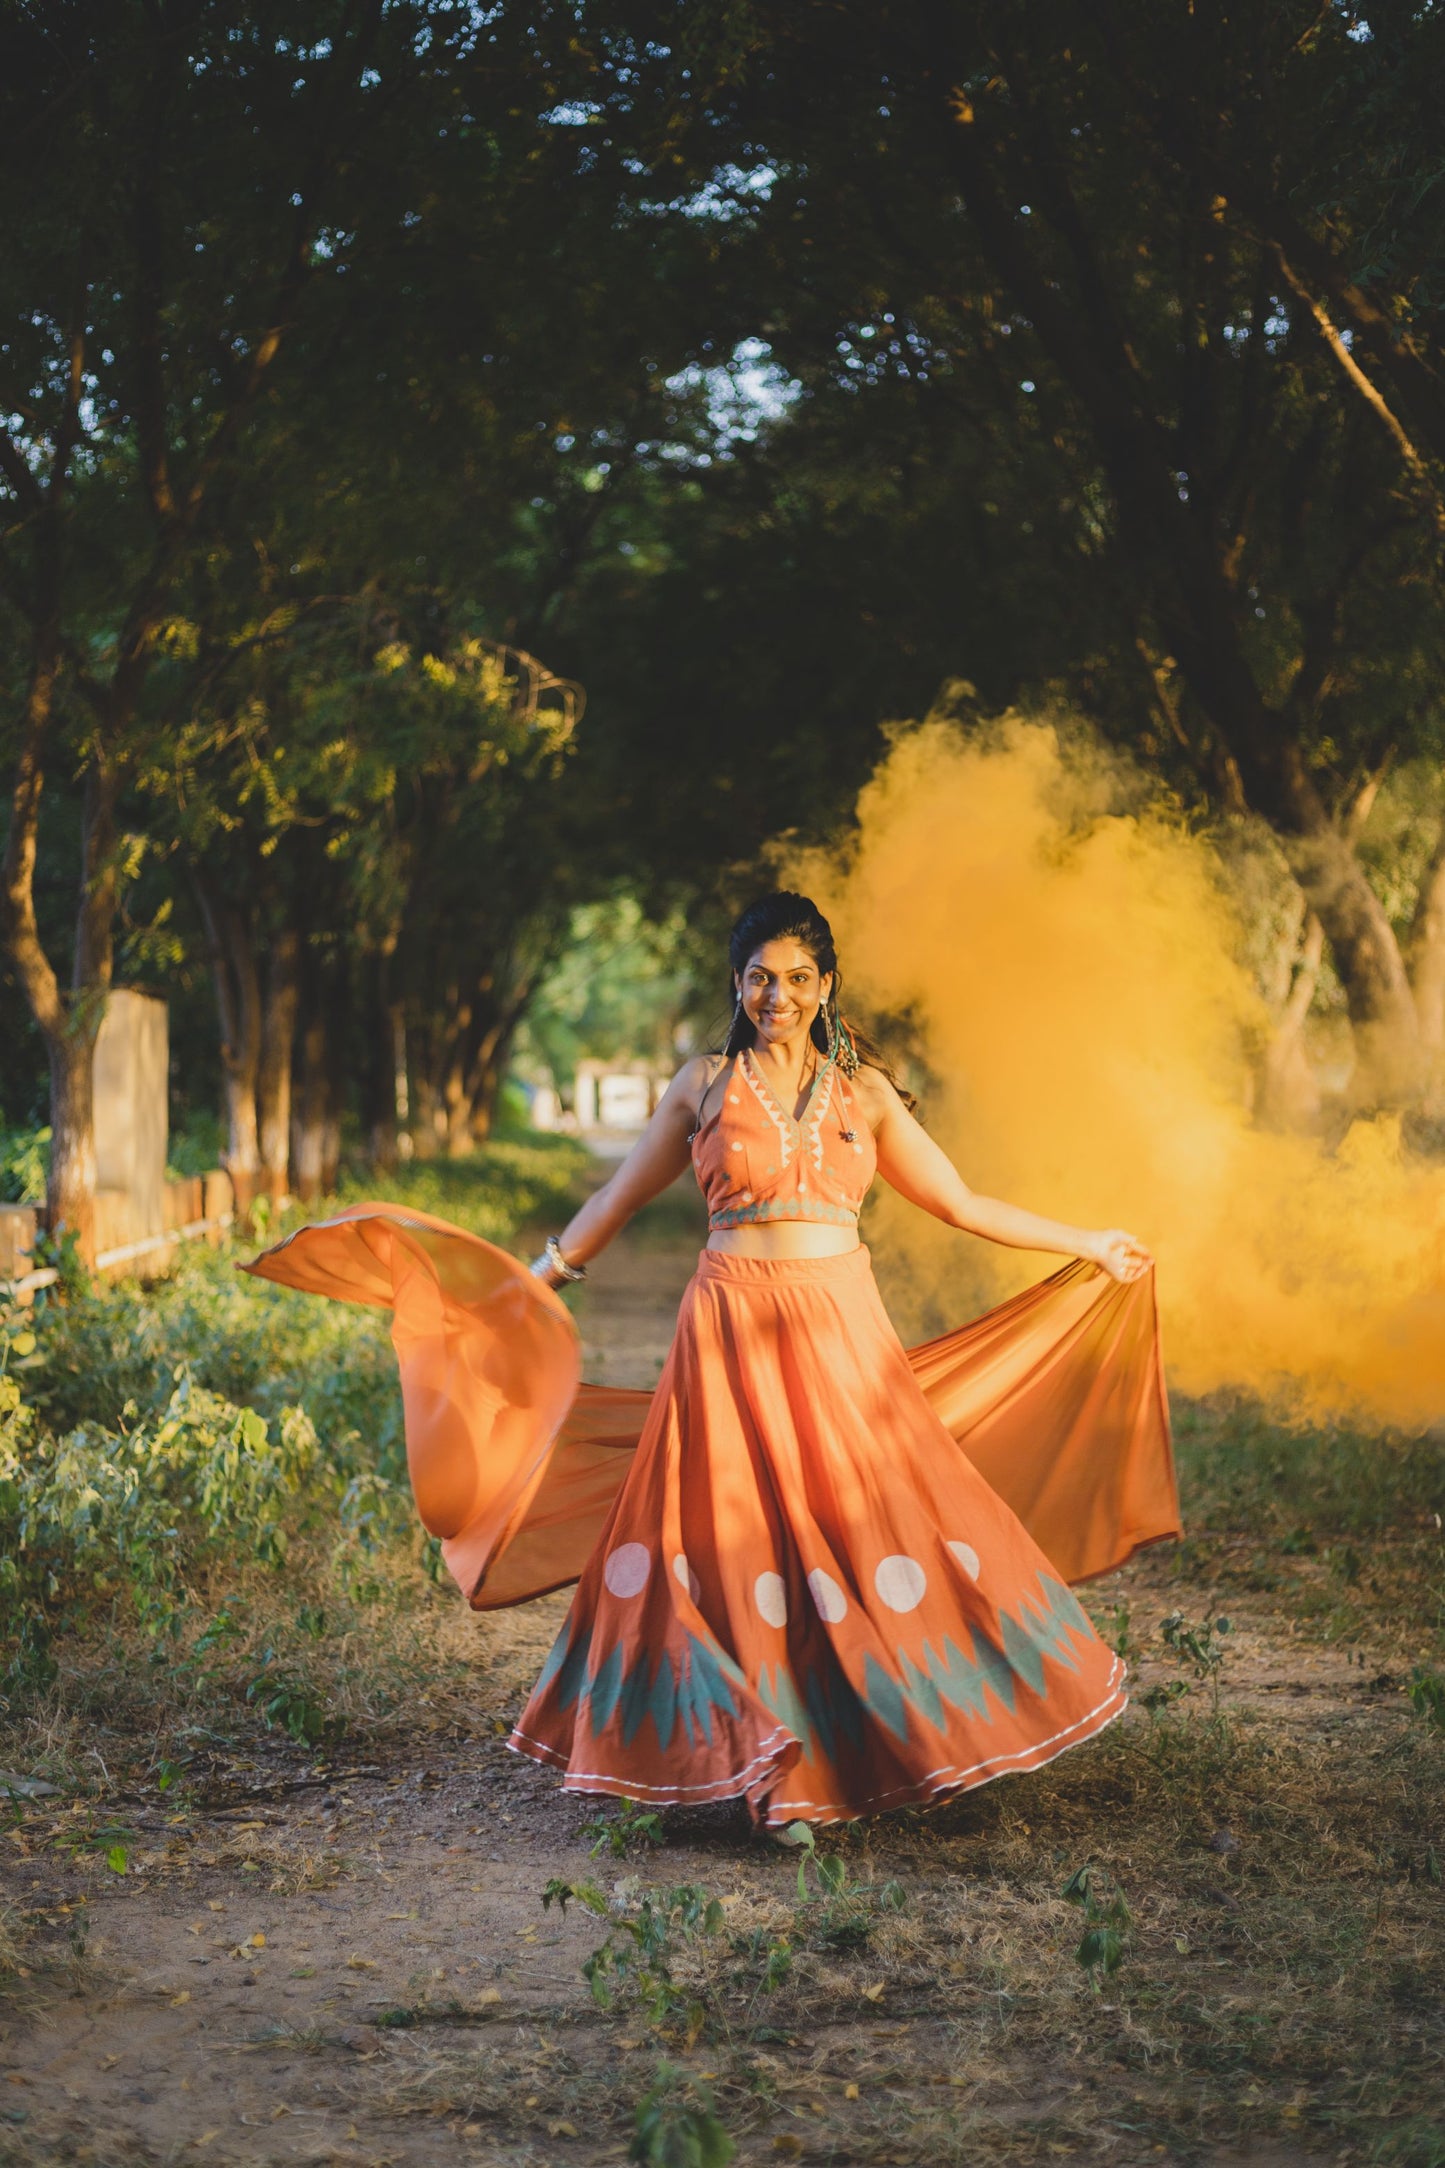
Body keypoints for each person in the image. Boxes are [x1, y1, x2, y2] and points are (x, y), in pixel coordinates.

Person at [245, 892, 1178, 1827]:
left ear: (824, 987)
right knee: (733, 1540)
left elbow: (962, 1203)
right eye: (761, 977)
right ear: (738, 984)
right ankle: (767, 1766)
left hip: (842, 1334)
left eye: (799, 978)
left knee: (870, 1524)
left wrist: (1087, 1239)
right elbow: (617, 1198)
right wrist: (531, 1284)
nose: (779, 995)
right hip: (727, 1330)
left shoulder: (866, 1095)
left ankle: (889, 1737)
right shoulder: (702, 1085)